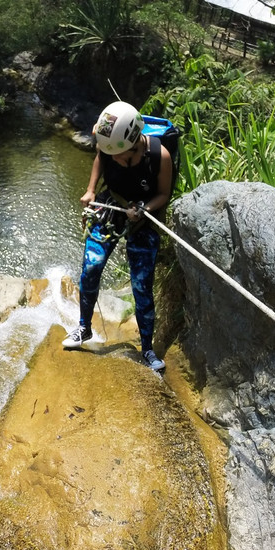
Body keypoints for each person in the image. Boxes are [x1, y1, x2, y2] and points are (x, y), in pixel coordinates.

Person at [63, 101, 173, 373]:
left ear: (136, 144)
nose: (116, 160)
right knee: (91, 267)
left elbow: (163, 194)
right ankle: (84, 328)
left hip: (142, 217)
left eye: (121, 156)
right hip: (110, 207)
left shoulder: (161, 156)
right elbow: (101, 156)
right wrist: (90, 190)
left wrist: (144, 209)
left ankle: (147, 347)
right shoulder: (108, 142)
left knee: (141, 284)